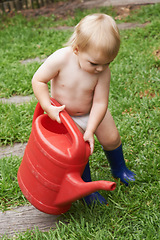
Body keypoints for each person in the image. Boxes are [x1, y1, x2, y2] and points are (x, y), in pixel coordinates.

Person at [32, 13, 135, 206]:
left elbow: (100, 103)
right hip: (66, 116)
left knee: (112, 138)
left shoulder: (102, 71)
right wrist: (48, 106)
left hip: (93, 112)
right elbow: (38, 80)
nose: (100, 68)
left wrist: (91, 128)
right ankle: (86, 187)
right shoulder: (61, 59)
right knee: (80, 152)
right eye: (94, 63)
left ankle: (119, 169)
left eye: (108, 63)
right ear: (77, 49)